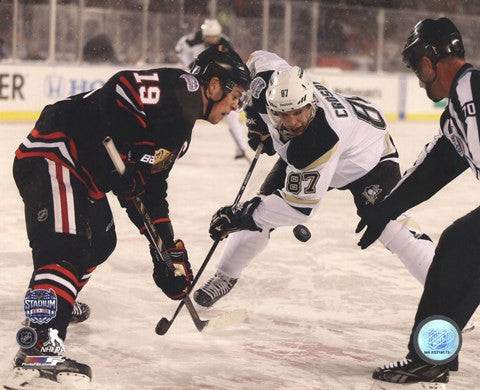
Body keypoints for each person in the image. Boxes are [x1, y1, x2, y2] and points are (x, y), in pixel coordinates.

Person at [5, 44, 250, 388]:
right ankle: (36, 356)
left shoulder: (179, 132)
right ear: (212, 86)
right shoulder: (182, 89)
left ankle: (54, 307)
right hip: (56, 155)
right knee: (64, 250)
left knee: (100, 242)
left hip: (82, 175)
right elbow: (121, 88)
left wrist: (166, 252)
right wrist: (129, 155)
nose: (235, 105)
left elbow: (150, 193)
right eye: (235, 94)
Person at [193, 51, 436, 316]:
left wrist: (243, 214)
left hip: (367, 158)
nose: (294, 122)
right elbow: (258, 57)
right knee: (260, 207)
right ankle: (226, 275)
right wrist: (254, 118)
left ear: (311, 104)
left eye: (299, 112)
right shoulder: (269, 83)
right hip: (338, 139)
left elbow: (299, 208)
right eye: (283, 115)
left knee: (390, 227)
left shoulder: (319, 139)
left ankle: (445, 294)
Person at [355, 18, 479, 386]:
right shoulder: (463, 100)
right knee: (462, 249)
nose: (419, 80)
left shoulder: (470, 91)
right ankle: (431, 358)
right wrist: (386, 210)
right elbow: (436, 166)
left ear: (429, 62)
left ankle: (429, 359)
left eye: (415, 67)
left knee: (461, 247)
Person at [175, 18, 248, 160]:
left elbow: (232, 63)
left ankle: (241, 148)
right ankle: (177, 143)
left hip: (218, 83)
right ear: (203, 35)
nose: (213, 40)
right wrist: (191, 65)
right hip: (198, 81)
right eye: (209, 37)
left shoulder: (225, 43)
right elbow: (179, 50)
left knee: (232, 113)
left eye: (215, 37)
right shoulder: (192, 40)